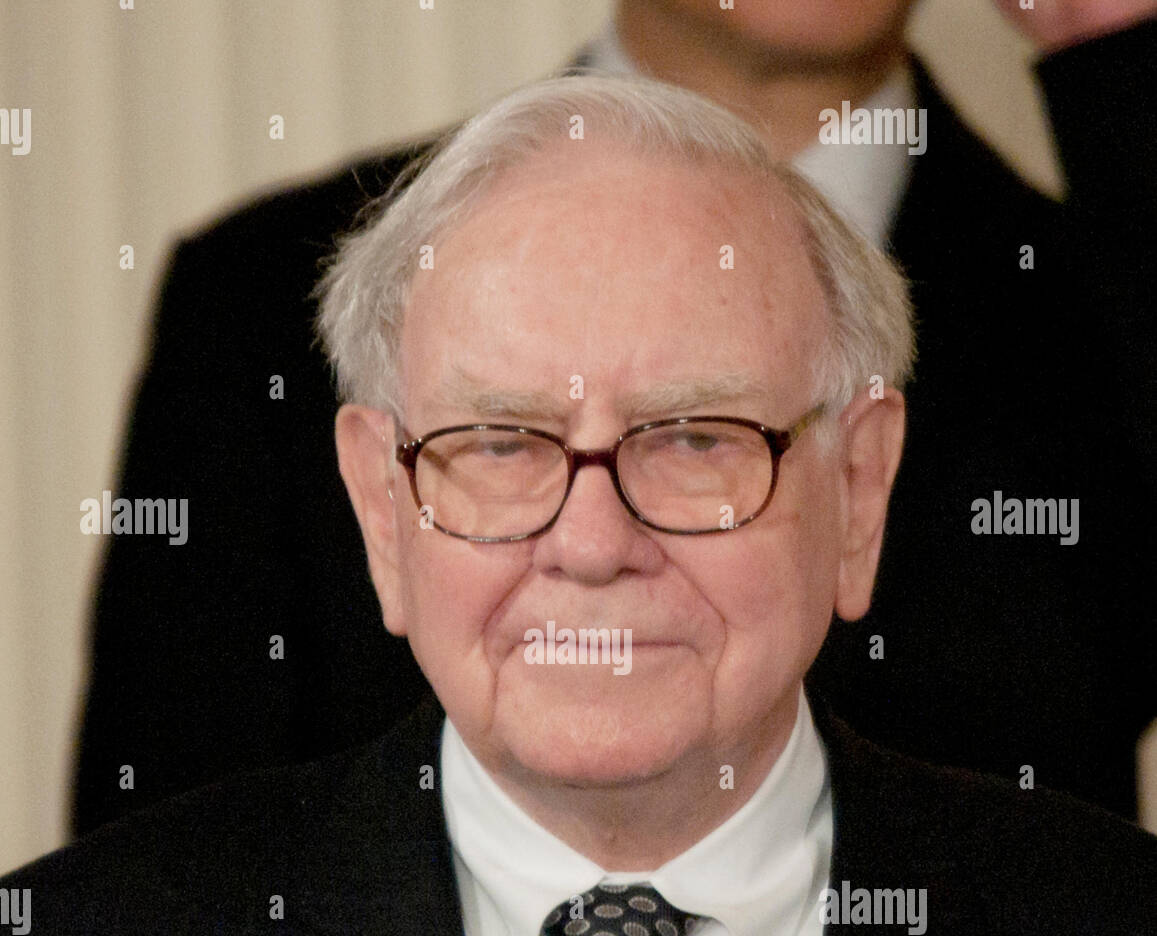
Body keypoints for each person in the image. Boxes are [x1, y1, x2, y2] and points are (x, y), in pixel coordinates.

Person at [4, 77, 1156, 936]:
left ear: (858, 492)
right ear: (381, 513)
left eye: (696, 436)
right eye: (499, 445)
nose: (594, 540)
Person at [70, 0, 1157, 836]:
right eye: (499, 437)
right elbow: (163, 928)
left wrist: (1111, 48)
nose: (597, 542)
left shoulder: (1103, 299)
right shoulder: (268, 300)